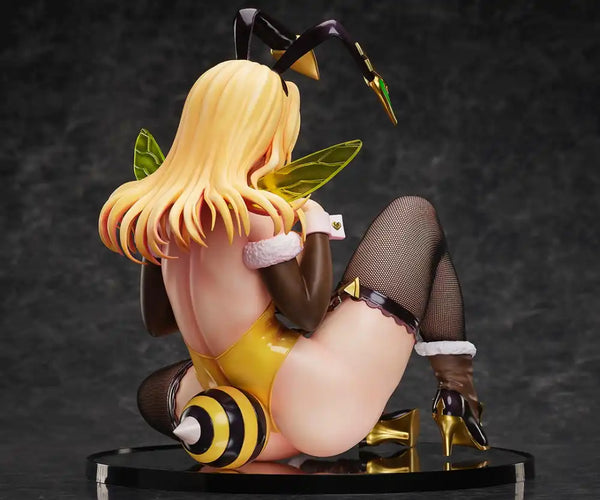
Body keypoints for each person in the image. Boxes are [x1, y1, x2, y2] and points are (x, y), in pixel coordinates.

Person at [98, 11, 488, 470]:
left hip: (235, 412)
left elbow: (160, 324)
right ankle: (457, 395)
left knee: (155, 391)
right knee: (414, 215)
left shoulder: (160, 216)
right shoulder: (255, 215)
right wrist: (317, 227)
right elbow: (306, 314)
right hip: (318, 409)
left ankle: (301, 429)